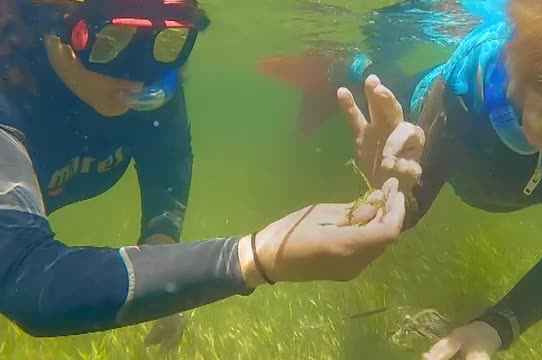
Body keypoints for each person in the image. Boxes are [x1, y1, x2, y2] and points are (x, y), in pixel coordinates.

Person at [0, 0, 407, 352]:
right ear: (54, 23)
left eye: (170, 42)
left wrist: (162, 262)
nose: (141, 75)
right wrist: (252, 256)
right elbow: (27, 276)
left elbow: (168, 161)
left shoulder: (141, 80)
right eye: (113, 41)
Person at [259, 0, 542, 359]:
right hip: (434, 104)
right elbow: (413, 198)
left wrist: (497, 327)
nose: (535, 119)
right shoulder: (473, 74)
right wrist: (388, 193)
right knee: (392, 88)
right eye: (535, 80)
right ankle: (346, 66)